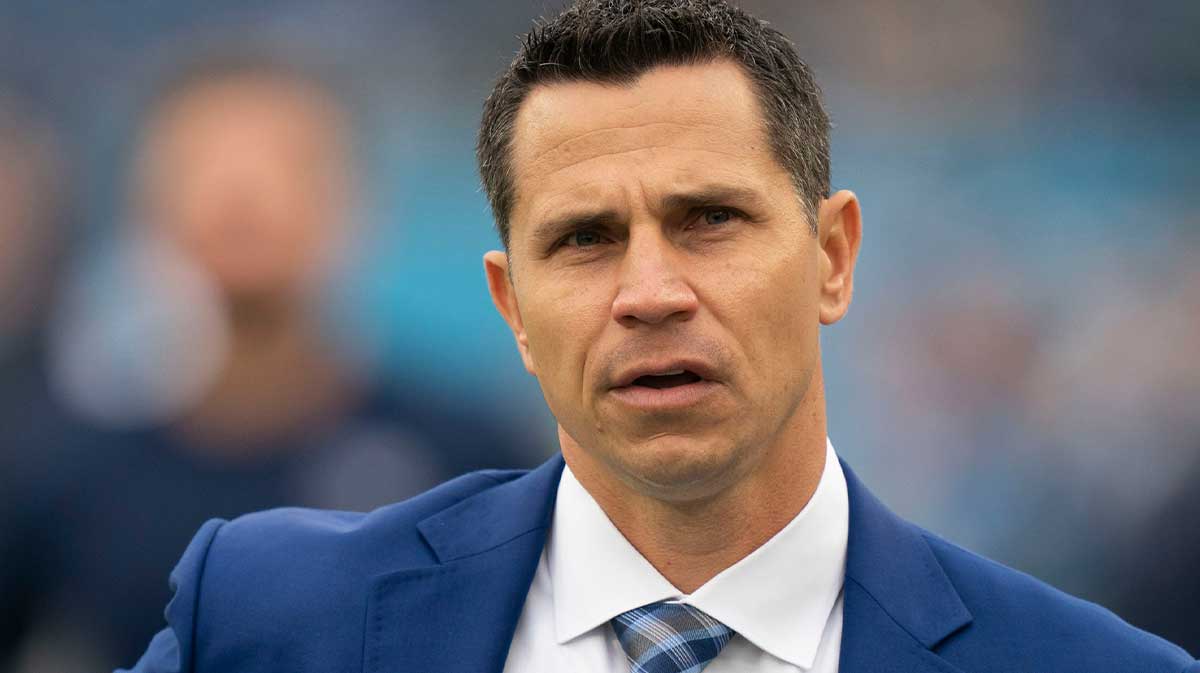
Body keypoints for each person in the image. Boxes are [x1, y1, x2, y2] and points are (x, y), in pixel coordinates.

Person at [121, 2, 1198, 672]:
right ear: (513, 309)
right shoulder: (270, 625)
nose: (650, 290)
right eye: (585, 238)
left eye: (709, 220)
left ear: (833, 257)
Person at [0, 55, 533, 673]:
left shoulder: (466, 460)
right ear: (145, 202)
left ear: (355, 200)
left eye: (286, 164)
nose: (242, 195)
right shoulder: (54, 468)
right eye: (202, 166)